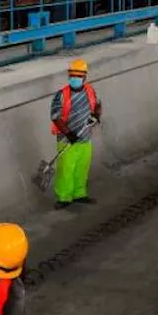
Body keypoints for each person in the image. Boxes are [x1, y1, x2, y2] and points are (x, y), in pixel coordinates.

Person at [50, 59, 103, 210]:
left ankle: (80, 194)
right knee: (66, 169)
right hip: (67, 140)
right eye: (73, 75)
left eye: (78, 75)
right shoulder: (61, 95)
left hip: (85, 138)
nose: (75, 78)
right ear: (69, 76)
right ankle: (64, 197)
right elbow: (55, 117)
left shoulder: (90, 91)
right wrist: (68, 133)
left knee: (82, 167)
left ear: (84, 77)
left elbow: (98, 104)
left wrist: (97, 115)